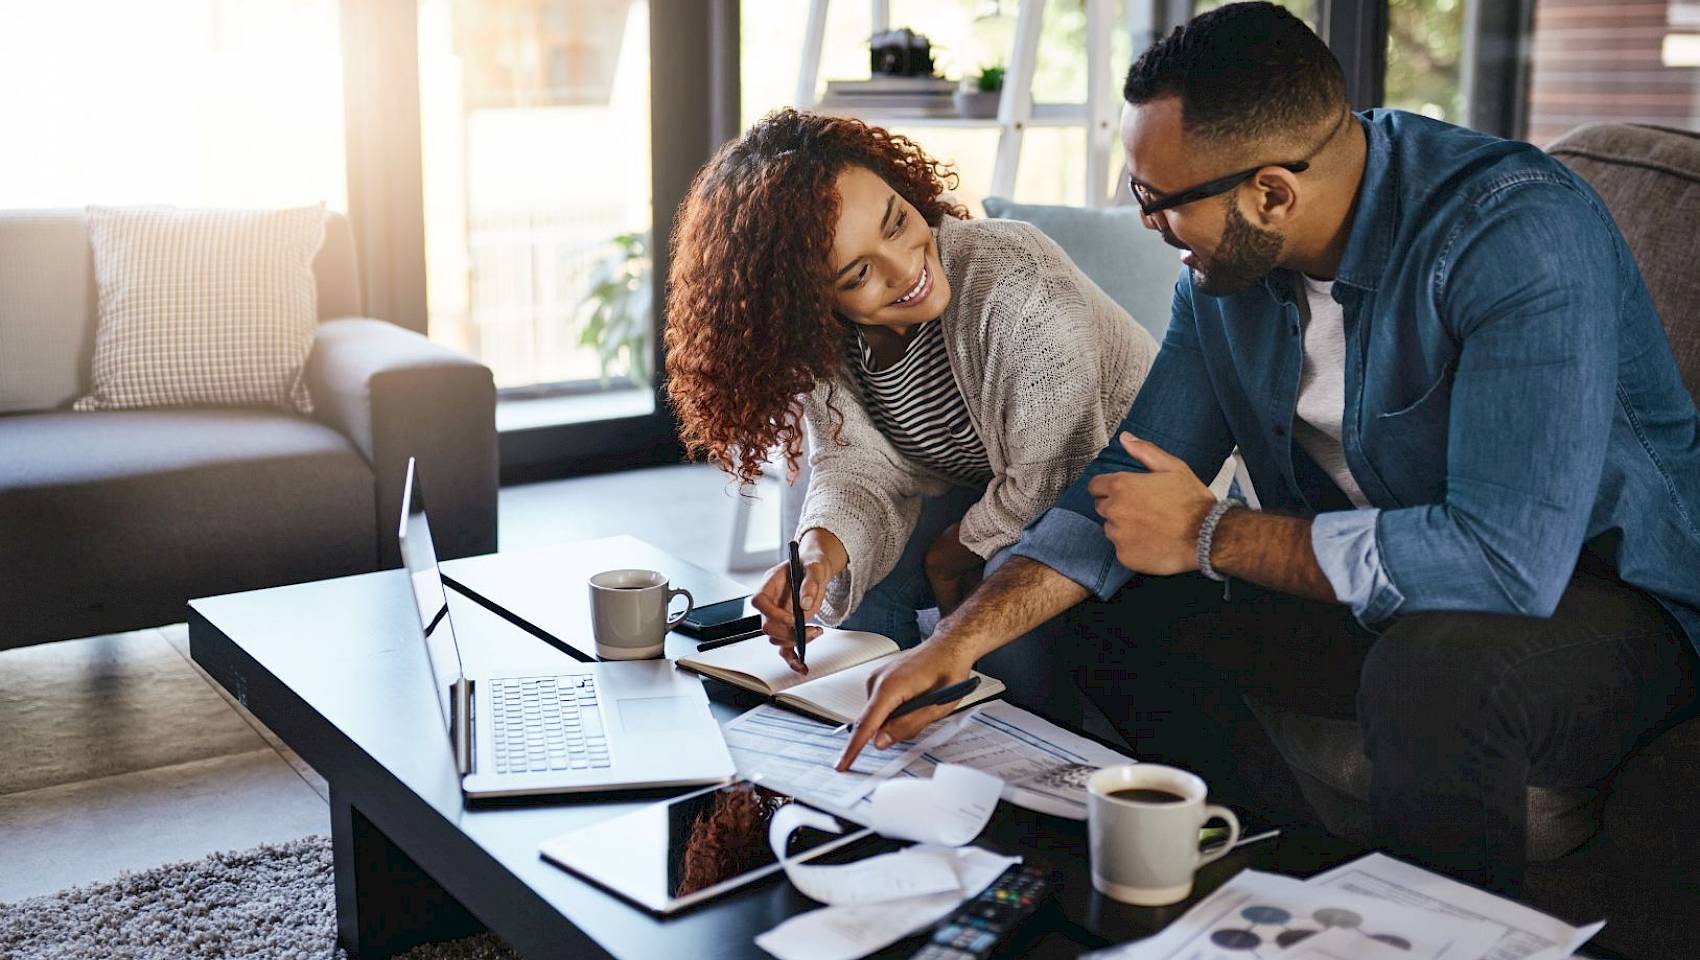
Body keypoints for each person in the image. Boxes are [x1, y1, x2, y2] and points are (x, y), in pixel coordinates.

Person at [836, 2, 1700, 893]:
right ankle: (1270, 876)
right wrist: (954, 643)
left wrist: (1213, 534)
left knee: (1434, 674)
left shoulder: (1514, 237)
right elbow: (1124, 485)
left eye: (1158, 200)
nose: (1148, 225)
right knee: (1107, 602)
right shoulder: (1225, 278)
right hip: (1382, 594)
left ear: (1273, 193)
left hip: (1606, 602)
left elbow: (1507, 562)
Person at [664, 109, 1157, 676]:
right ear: (809, 305)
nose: (904, 269)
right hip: (999, 489)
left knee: (999, 594)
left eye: (897, 222)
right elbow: (858, 461)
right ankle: (876, 724)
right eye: (857, 276)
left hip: (1114, 495)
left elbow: (1058, 475)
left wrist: (951, 555)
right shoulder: (829, 343)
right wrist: (818, 554)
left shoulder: (1015, 281)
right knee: (859, 594)